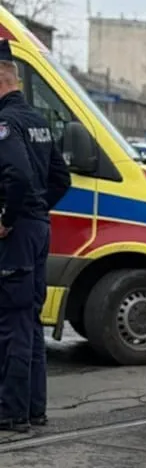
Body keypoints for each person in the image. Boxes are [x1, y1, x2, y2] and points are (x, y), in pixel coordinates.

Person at [0, 40, 72, 433]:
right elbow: (61, 178)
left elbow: (18, 177)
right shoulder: (38, 120)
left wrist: (10, 217)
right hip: (38, 229)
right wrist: (39, 210)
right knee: (29, 319)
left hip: (18, 233)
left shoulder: (6, 123)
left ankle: (11, 413)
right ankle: (33, 409)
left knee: (11, 322)